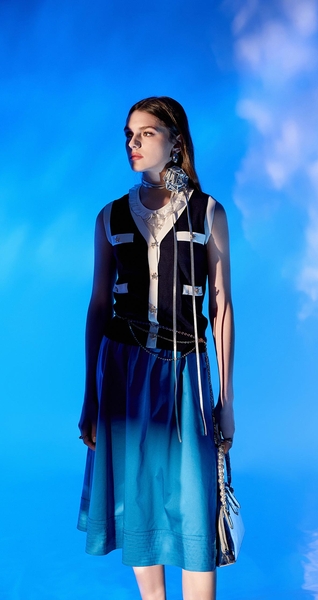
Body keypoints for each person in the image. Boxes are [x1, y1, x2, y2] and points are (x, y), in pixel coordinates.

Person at [77, 96, 235, 600]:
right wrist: (90, 396)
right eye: (129, 134)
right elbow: (98, 306)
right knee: (138, 493)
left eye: (146, 133)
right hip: (123, 371)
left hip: (186, 369)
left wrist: (226, 401)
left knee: (196, 502)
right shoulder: (109, 217)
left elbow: (222, 308)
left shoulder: (207, 212)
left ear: (175, 140)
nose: (133, 143)